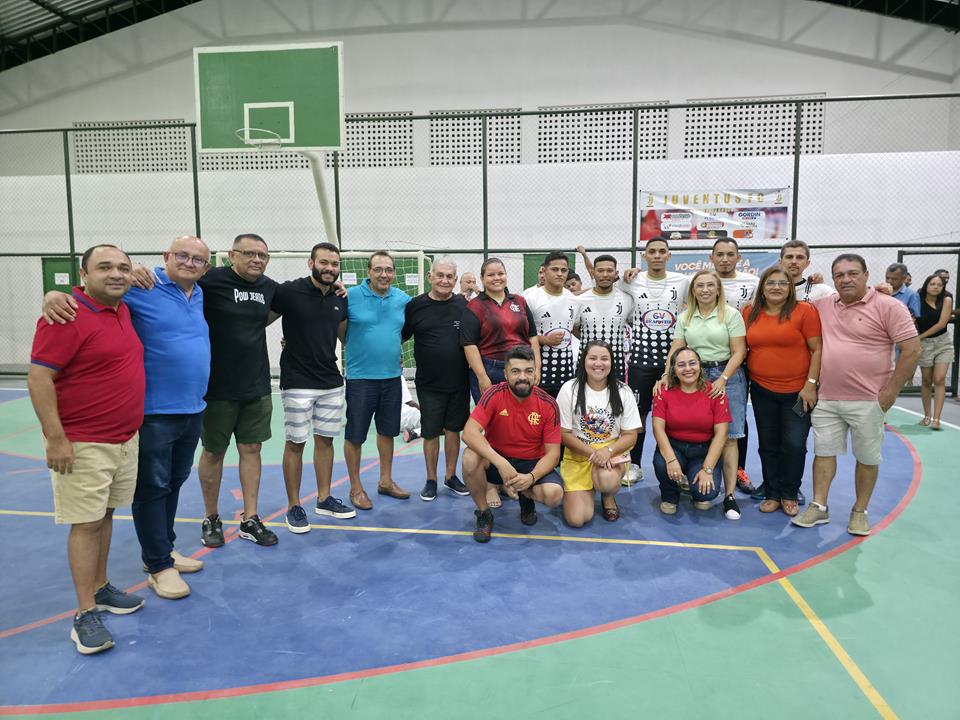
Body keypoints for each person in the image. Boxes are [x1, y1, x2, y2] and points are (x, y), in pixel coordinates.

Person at [42, 236, 211, 599]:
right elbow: (87, 298)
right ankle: (158, 565)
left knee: (174, 482)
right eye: (182, 255)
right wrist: (52, 295)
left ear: (206, 267)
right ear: (166, 256)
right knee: (152, 488)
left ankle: (165, 549)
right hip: (153, 413)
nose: (189, 263)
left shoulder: (199, 293)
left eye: (198, 259)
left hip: (192, 408)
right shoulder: (140, 286)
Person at [28, 245, 145, 655]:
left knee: (105, 515)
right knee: (86, 524)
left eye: (123, 268)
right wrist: (56, 437)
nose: (116, 274)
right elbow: (39, 377)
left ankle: (101, 586)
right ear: (84, 274)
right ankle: (85, 613)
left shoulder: (122, 309)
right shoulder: (66, 314)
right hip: (83, 442)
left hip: (123, 438)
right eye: (105, 267)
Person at [793, 254, 920, 536]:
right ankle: (819, 506)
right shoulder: (822, 305)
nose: (846, 279)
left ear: (866, 275)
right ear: (833, 279)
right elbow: (790, 303)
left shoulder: (889, 306)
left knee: (867, 457)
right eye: (839, 275)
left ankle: (859, 511)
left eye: (852, 273)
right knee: (823, 453)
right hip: (827, 397)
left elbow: (912, 350)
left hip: (869, 400)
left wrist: (891, 392)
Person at [195, 233, 279, 548]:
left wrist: (338, 288)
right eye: (249, 253)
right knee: (213, 451)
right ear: (232, 255)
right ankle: (211, 517)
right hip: (217, 387)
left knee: (252, 449)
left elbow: (296, 300)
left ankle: (250, 518)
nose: (257, 259)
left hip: (256, 385)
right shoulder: (210, 281)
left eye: (262, 255)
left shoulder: (270, 288)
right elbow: (171, 282)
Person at [274, 242, 355, 534]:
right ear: (311, 263)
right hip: (297, 381)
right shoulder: (289, 291)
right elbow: (258, 321)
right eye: (324, 262)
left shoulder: (339, 298)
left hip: (330, 381)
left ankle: (324, 498)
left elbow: (344, 335)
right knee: (295, 443)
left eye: (334, 264)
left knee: (325, 441)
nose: (329, 268)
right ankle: (294, 505)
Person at [658, 269, 747, 520]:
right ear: (693, 291)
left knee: (730, 437)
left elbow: (739, 352)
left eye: (710, 285)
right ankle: (698, 475)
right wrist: (666, 374)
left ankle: (729, 496)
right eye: (700, 286)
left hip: (727, 375)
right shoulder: (685, 316)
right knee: (697, 428)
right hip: (693, 373)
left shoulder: (731, 314)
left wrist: (723, 378)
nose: (705, 290)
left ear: (718, 289)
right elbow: (677, 348)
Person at [461, 345, 564, 543]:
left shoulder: (548, 404)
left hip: (531, 463)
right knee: (469, 457)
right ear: (506, 374)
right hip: (498, 461)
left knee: (554, 495)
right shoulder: (493, 394)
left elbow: (553, 454)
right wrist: (500, 462)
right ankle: (483, 513)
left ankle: (526, 494)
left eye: (528, 371)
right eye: (515, 371)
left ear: (535, 374)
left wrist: (531, 477)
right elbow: (469, 433)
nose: (522, 377)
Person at [461, 258, 540, 508]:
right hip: (490, 369)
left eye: (500, 273)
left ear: (506, 275)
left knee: (517, 426)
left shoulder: (520, 302)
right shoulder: (475, 306)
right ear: (483, 279)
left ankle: (512, 479)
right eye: (491, 275)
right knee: (490, 430)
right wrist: (482, 376)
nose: (496, 278)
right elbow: (469, 344)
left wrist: (535, 368)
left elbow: (532, 337)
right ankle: (490, 484)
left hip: (520, 371)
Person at [743, 266, 822, 517]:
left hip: (797, 393)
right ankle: (772, 493)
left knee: (794, 445)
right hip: (761, 390)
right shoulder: (749, 312)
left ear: (790, 288)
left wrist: (811, 384)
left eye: (782, 283)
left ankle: (790, 493)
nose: (776, 287)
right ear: (762, 288)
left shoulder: (805, 311)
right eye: (770, 283)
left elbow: (817, 349)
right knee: (768, 445)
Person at [343, 250, 412, 510]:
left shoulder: (402, 299)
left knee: (387, 432)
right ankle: (355, 487)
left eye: (389, 270)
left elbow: (404, 331)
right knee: (355, 435)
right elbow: (339, 330)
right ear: (368, 272)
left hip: (392, 378)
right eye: (378, 269)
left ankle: (385, 481)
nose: (384, 274)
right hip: (360, 379)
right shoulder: (350, 296)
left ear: (394, 273)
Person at [621, 237, 691, 485]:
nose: (657, 255)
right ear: (645, 256)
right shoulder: (631, 280)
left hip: (673, 363)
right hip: (640, 362)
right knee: (637, 415)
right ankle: (634, 464)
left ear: (669, 255)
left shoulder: (682, 281)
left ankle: (680, 466)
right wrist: (629, 272)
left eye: (662, 251)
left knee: (677, 416)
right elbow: (603, 287)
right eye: (652, 252)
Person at [402, 257, 471, 501]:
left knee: (453, 430)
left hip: (459, 382)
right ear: (429, 277)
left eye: (449, 276)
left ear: (455, 279)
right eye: (439, 275)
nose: (444, 280)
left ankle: (450, 476)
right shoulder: (415, 306)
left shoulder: (463, 305)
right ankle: (431, 480)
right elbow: (401, 336)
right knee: (430, 433)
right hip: (429, 383)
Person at [557, 341, 641, 526]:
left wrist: (608, 451)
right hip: (579, 454)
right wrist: (595, 454)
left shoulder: (623, 391)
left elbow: (630, 435)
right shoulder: (569, 389)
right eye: (593, 358)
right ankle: (585, 490)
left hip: (611, 455)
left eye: (604, 358)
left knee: (607, 481)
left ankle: (607, 496)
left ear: (611, 362)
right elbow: (563, 433)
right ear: (584, 361)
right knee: (577, 520)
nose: (598, 363)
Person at [651, 348, 730, 515]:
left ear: (700, 366)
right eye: (681, 365)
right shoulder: (663, 391)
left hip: (703, 450)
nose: (688, 369)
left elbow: (722, 434)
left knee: (706, 494)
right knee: (662, 464)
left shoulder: (715, 392)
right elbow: (658, 428)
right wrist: (671, 460)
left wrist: (707, 469)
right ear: (673, 369)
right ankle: (670, 495)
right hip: (674, 447)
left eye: (692, 363)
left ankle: (694, 484)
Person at [709, 238, 760, 495]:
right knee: (705, 418)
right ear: (712, 258)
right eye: (720, 254)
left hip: (741, 359)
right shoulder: (702, 281)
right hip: (708, 361)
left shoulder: (753, 283)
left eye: (730, 254)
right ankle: (707, 467)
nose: (725, 259)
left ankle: (738, 469)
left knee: (737, 418)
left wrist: (813, 280)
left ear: (738, 257)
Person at [523, 251, 581, 398]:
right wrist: (544, 340)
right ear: (544, 271)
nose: (560, 274)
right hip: (538, 372)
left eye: (564, 270)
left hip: (566, 372)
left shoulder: (573, 300)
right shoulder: (530, 298)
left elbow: (574, 329)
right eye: (555, 269)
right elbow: (520, 335)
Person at [575, 254, 633, 382]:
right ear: (593, 273)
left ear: (616, 273)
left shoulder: (627, 299)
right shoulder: (580, 300)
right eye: (600, 271)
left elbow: (635, 323)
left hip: (616, 364)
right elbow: (573, 327)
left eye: (609, 270)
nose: (605, 275)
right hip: (586, 364)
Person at [916, 274, 954, 431]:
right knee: (926, 380)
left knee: (939, 379)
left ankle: (937, 419)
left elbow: (942, 324)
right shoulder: (917, 299)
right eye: (932, 284)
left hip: (943, 343)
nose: (936, 287)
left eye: (939, 285)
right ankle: (927, 416)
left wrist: (920, 337)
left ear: (943, 287)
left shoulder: (946, 300)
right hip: (925, 345)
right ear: (926, 285)